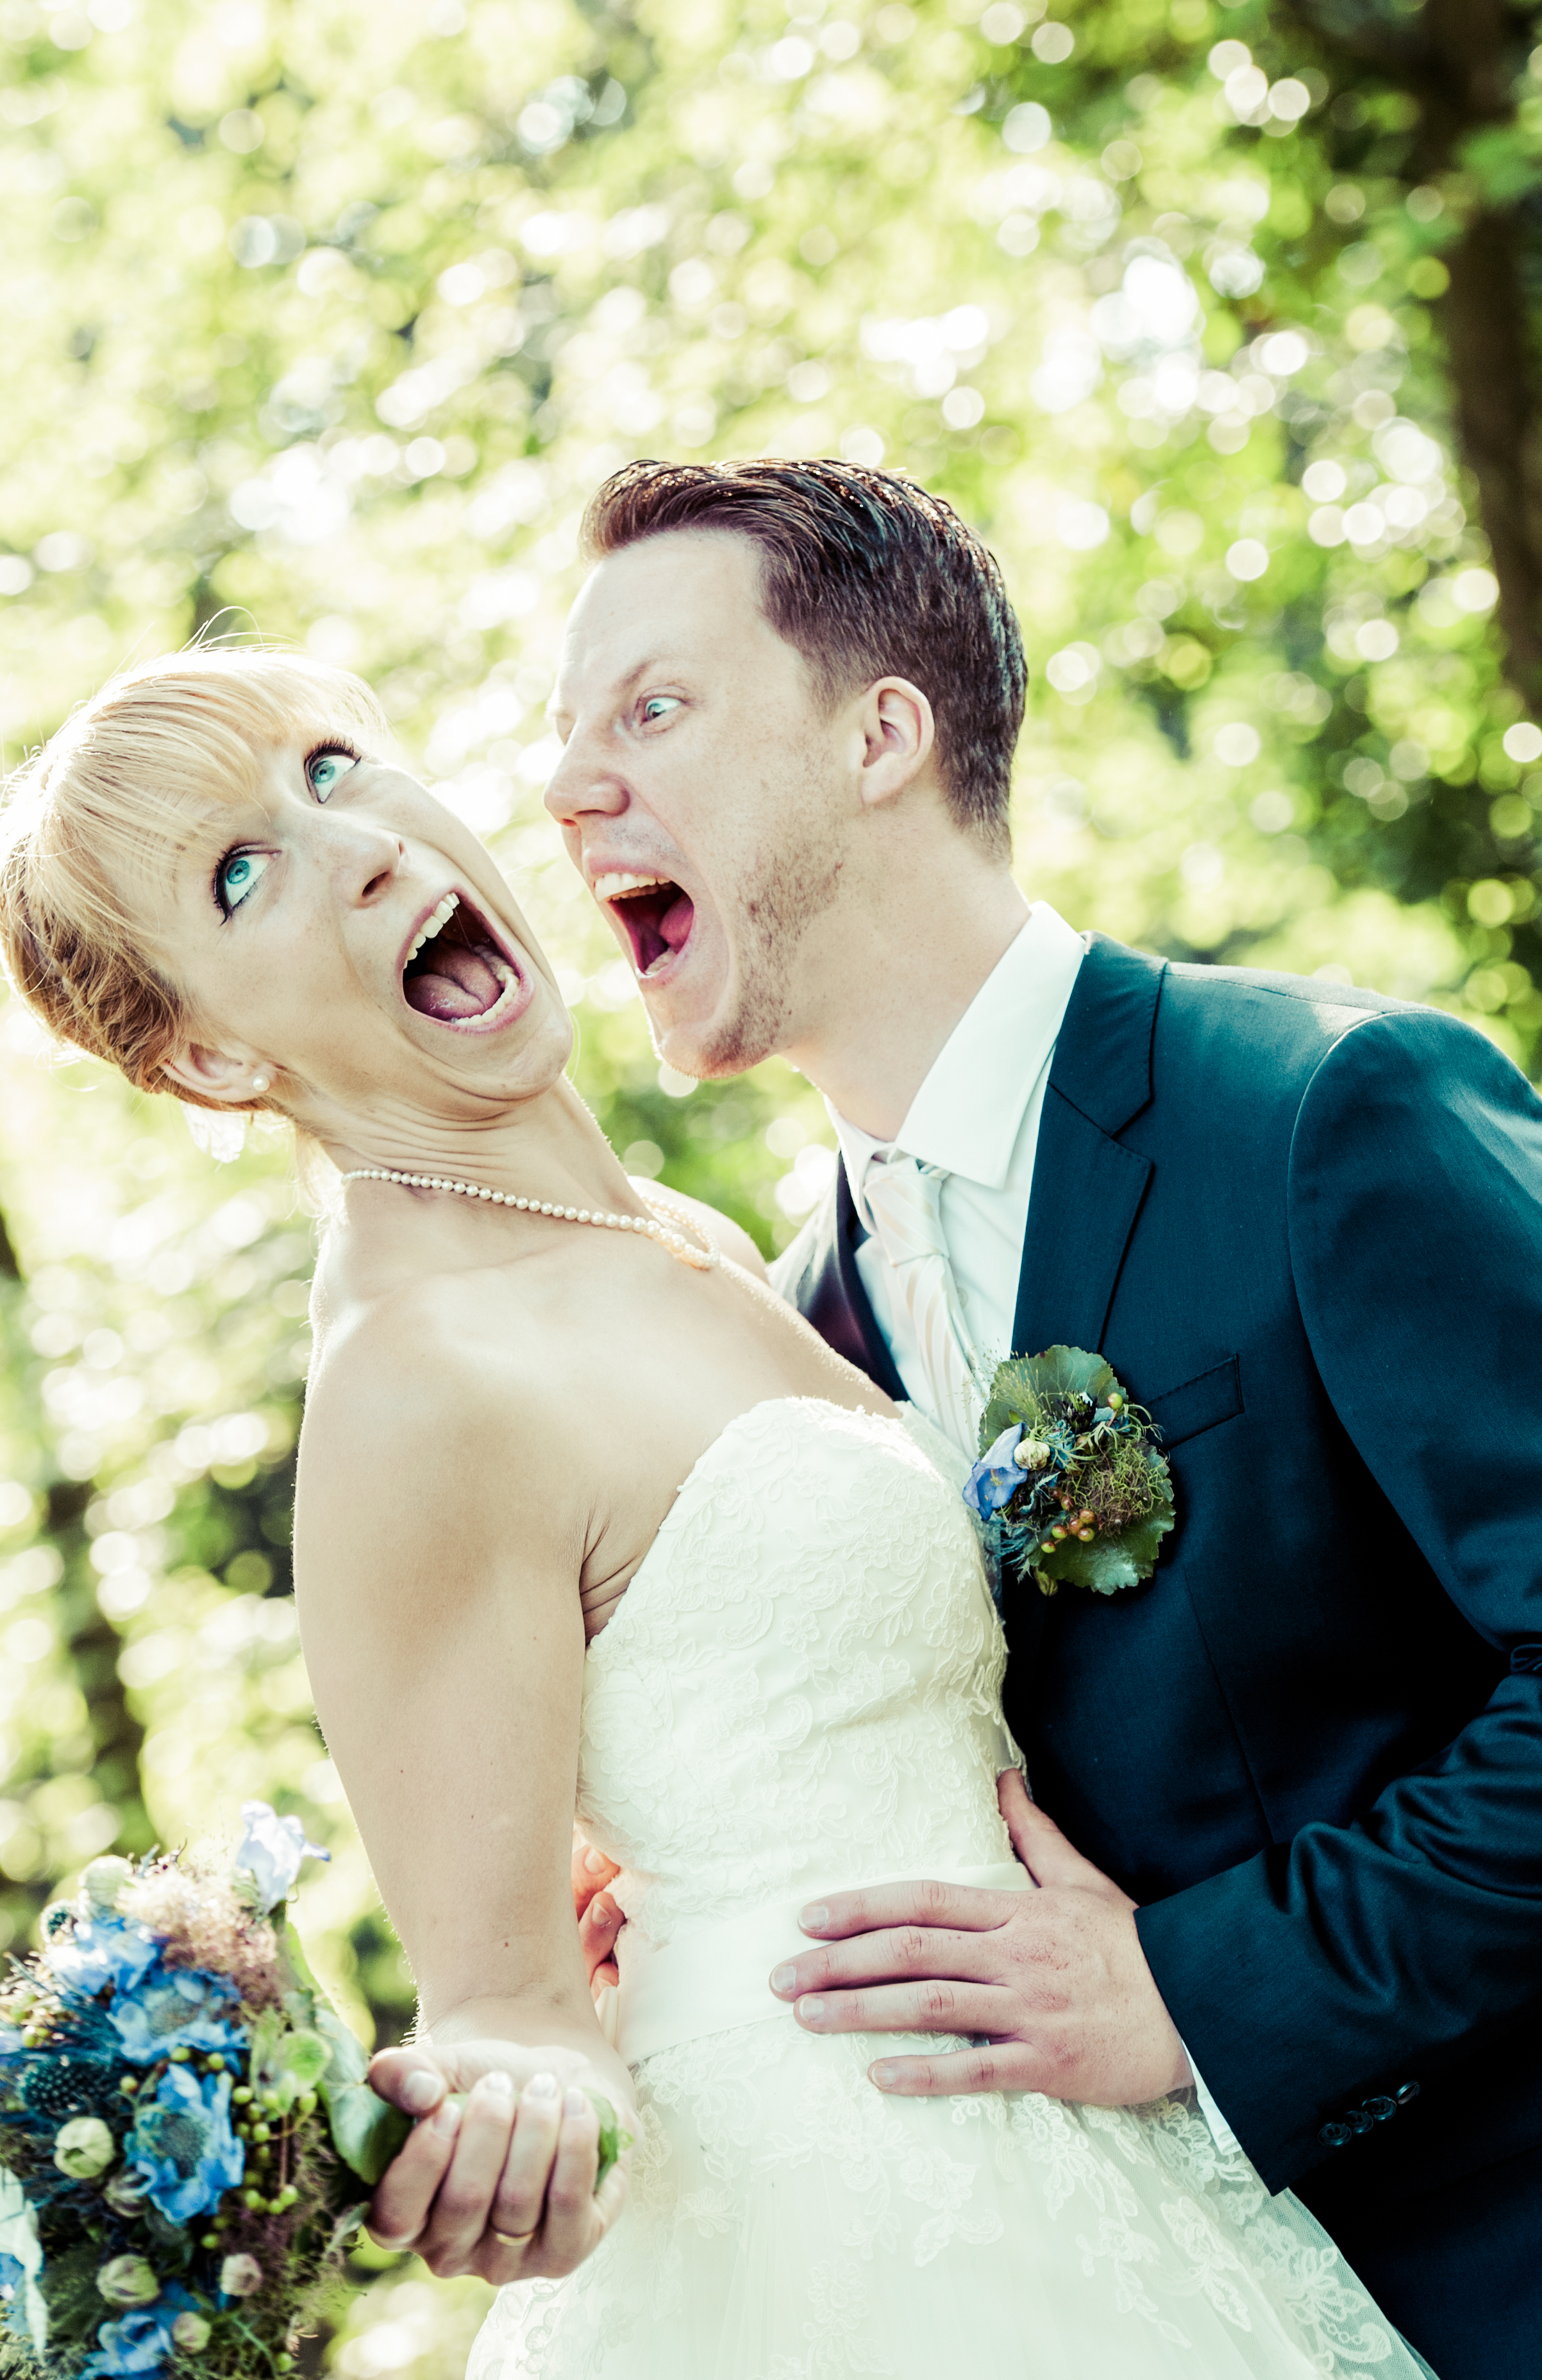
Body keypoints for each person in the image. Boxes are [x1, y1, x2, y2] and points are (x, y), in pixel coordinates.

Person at [0, 647, 1430, 2380]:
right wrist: (513, 2124)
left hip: (1071, 2121)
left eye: (331, 764)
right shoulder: (417, 1380)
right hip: (843, 2233)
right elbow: (511, 2006)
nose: (355, 845)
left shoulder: (676, 1232)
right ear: (213, 1057)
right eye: (239, 873)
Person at [546, 457, 1542, 2380]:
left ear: (881, 738)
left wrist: (1202, 1990)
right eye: (566, 736)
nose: (571, 789)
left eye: (651, 709)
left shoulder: (1325, 1110)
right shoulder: (782, 1348)